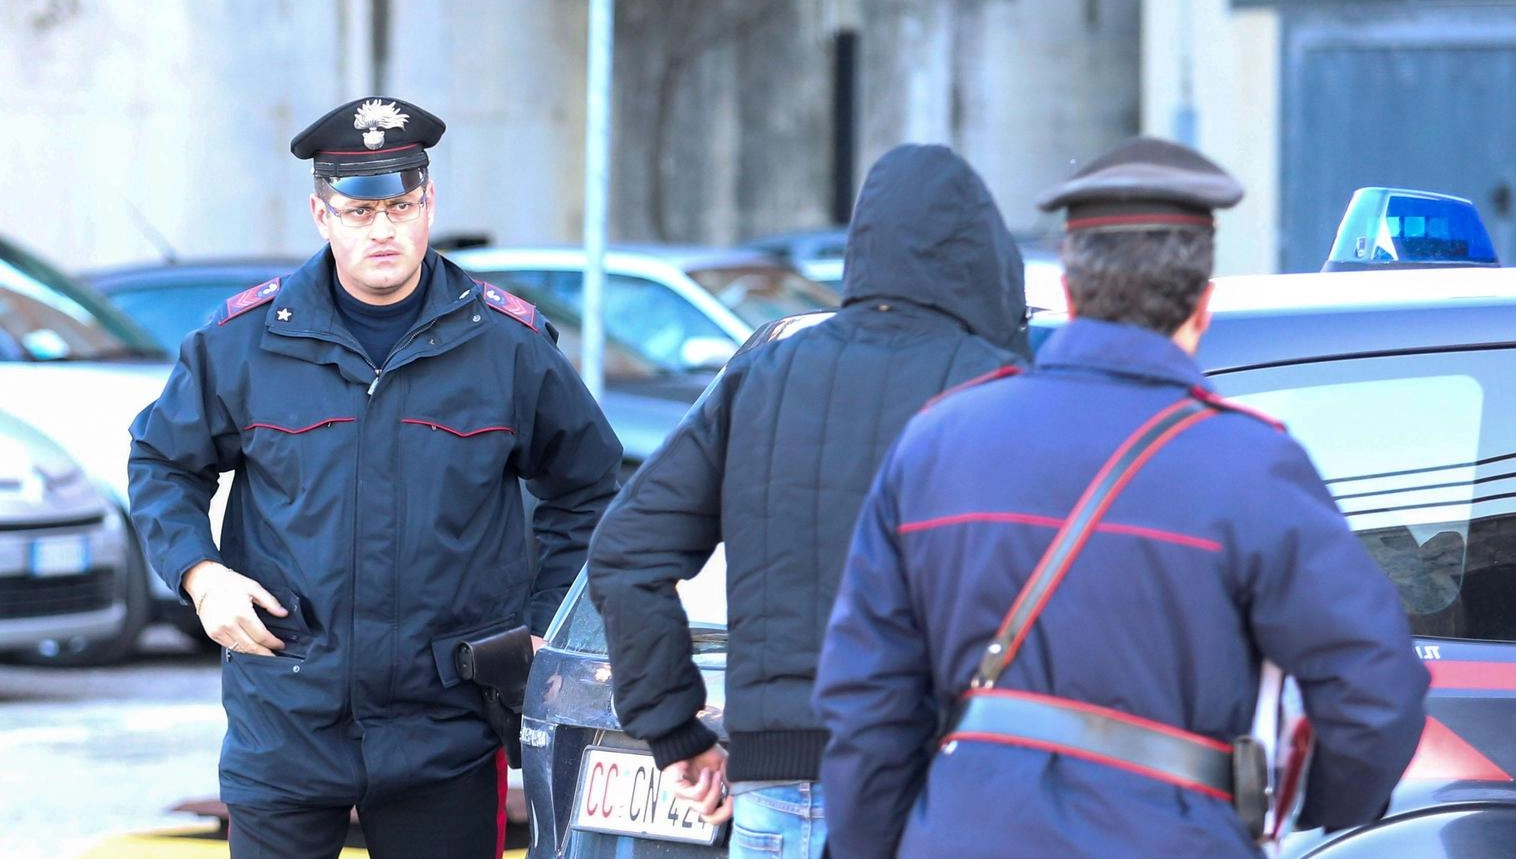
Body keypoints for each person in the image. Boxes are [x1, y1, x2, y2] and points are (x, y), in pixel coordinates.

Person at [812, 137, 1430, 859]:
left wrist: (885, 842)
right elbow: (1377, 689)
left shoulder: (935, 444)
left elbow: (866, 699)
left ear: (1069, 295)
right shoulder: (1253, 466)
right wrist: (1294, 804)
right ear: (1203, 304)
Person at [127, 96, 622, 859]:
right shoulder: (243, 342)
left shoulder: (506, 346)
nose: (383, 230)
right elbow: (162, 461)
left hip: (447, 723)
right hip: (285, 713)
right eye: (360, 213)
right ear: (322, 215)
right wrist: (201, 575)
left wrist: (543, 623)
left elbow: (587, 484)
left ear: (430, 204)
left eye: (400, 206)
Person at [584, 144, 1030, 858]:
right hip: (932, 784)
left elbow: (624, 553)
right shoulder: (996, 385)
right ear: (982, 257)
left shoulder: (764, 374)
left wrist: (676, 730)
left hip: (774, 789)